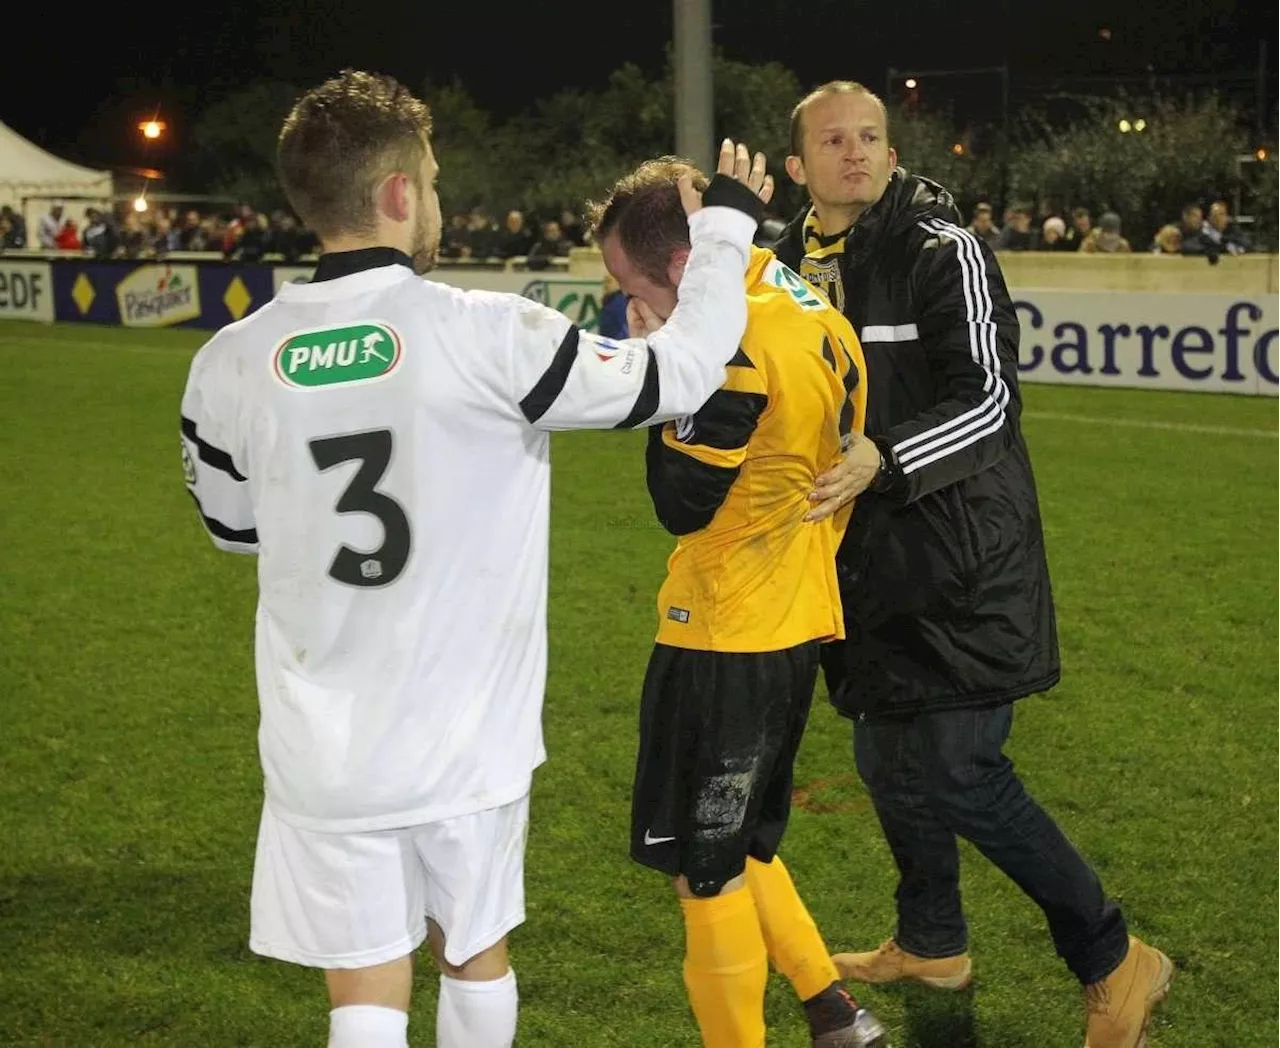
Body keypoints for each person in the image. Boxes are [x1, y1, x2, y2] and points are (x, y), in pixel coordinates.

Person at [180, 69, 768, 1048]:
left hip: (325, 748)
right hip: (466, 744)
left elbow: (232, 529)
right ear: (401, 193)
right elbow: (681, 373)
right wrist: (724, 233)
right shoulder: (489, 335)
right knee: (472, 952)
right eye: (436, 177)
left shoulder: (230, 361)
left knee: (364, 993)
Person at [773, 80, 1172, 1048]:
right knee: (883, 757)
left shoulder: (937, 246)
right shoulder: (782, 261)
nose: (856, 152)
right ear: (798, 166)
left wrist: (884, 454)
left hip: (960, 555)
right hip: (860, 557)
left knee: (957, 767)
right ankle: (931, 942)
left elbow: (990, 400)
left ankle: (1114, 956)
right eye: (833, 140)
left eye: (869, 135)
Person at [591, 156, 886, 1048]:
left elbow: (681, 503)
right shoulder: (796, 293)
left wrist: (661, 364)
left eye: (627, 283)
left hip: (726, 629)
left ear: (680, 269)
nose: (623, 298)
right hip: (797, 613)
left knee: (702, 870)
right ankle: (836, 1012)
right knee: (743, 842)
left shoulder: (727, 345)